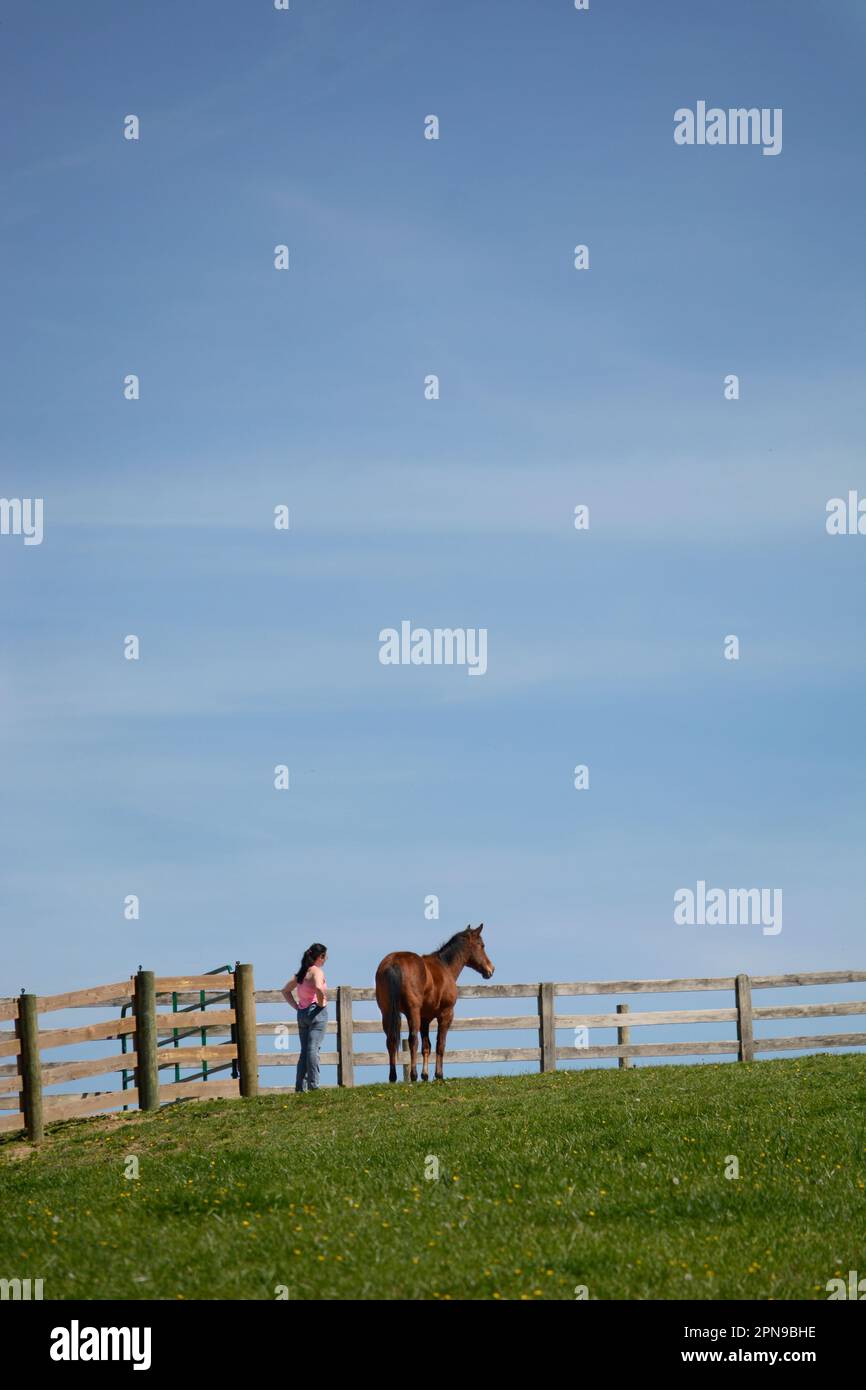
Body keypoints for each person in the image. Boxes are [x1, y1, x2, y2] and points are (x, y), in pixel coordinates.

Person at [282, 943, 328, 1092]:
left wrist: (296, 1006)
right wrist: (321, 1004)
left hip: (302, 1013)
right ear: (320, 957)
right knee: (313, 1049)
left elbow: (285, 990)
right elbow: (319, 988)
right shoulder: (317, 971)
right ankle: (314, 1085)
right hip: (316, 1012)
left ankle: (299, 1086)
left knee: (305, 1051)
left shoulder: (301, 973)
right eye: (325, 956)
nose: (326, 959)